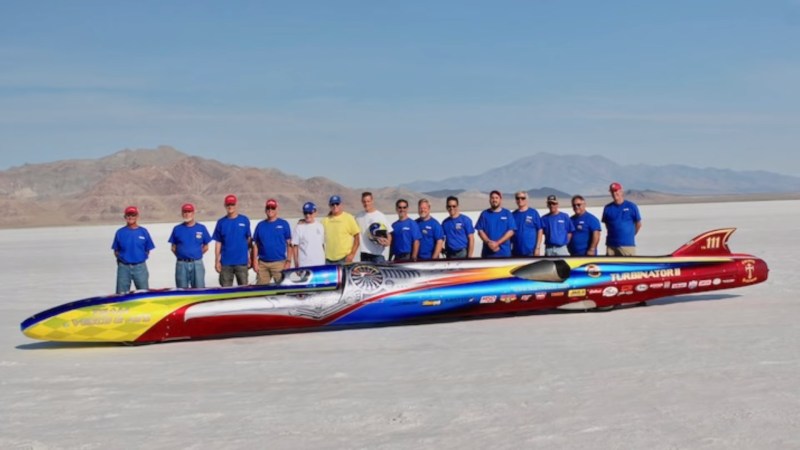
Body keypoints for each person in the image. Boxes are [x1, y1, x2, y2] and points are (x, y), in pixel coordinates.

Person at [111, 206, 155, 294]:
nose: (130, 217)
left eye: (133, 215)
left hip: (140, 267)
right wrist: (123, 260)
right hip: (124, 268)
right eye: (128, 215)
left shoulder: (143, 232)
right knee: (121, 295)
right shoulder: (120, 232)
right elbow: (116, 251)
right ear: (125, 217)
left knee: (144, 293)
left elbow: (147, 249)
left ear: (137, 216)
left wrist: (139, 258)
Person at [168, 203, 211, 288]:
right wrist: (182, 256)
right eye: (185, 212)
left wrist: (196, 255)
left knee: (199, 289)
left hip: (197, 263)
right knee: (181, 290)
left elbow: (206, 247)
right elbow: (173, 248)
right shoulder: (177, 229)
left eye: (189, 212)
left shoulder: (201, 228)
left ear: (193, 213)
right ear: (182, 213)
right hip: (181, 264)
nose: (187, 214)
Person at [212, 194, 252, 286]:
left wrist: (250, 257)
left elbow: (249, 240)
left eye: (232, 204)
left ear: (236, 205)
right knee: (226, 290)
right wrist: (217, 260)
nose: (230, 206)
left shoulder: (244, 220)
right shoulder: (221, 222)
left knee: (243, 289)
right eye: (228, 204)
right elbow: (218, 243)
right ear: (225, 206)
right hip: (226, 263)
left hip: (242, 262)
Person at [252, 198, 292, 284]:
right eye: (268, 207)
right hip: (263, 264)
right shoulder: (260, 225)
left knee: (283, 286)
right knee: (260, 289)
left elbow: (289, 244)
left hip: (279, 263)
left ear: (277, 209)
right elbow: (255, 245)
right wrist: (255, 261)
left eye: (273, 208)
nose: (270, 210)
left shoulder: (283, 224)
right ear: (265, 209)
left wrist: (288, 261)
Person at [602, 182, 642, 256]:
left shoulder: (631, 206)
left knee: (629, 266)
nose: (614, 193)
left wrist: (630, 235)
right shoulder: (607, 208)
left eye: (616, 191)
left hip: (627, 246)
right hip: (611, 246)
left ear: (621, 191)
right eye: (612, 191)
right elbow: (607, 225)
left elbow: (638, 224)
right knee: (611, 266)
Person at [475, 190, 516, 258]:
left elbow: (511, 231)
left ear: (500, 199)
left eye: (496, 198)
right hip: (488, 254)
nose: (494, 200)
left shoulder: (507, 213)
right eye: (492, 198)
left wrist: (497, 243)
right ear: (490, 200)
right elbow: (480, 230)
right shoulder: (484, 214)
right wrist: (488, 242)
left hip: (504, 253)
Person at [321, 194, 360, 264]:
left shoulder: (348, 218)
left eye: (337, 204)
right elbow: (316, 233)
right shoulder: (325, 220)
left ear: (341, 204)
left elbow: (357, 237)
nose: (335, 206)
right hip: (329, 260)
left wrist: (352, 254)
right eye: (332, 204)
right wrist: (302, 222)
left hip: (344, 258)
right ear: (329, 206)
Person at [355, 191, 390, 262]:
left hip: (377, 255)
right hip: (364, 254)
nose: (366, 203)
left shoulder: (380, 216)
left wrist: (388, 242)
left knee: (380, 273)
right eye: (364, 201)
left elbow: (388, 232)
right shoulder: (358, 217)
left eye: (368, 201)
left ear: (372, 201)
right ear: (362, 202)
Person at [292, 202, 326, 267]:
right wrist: (296, 263)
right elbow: (295, 246)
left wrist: (324, 260)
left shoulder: (320, 226)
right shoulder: (299, 227)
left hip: (320, 264)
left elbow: (322, 245)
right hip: (305, 265)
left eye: (310, 213)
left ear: (315, 212)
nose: (308, 215)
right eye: (305, 213)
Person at [511, 191, 543, 257]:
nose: (520, 200)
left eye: (522, 198)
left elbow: (540, 230)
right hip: (516, 252)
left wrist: (537, 248)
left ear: (526, 199)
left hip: (531, 252)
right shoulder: (513, 215)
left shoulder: (533, 213)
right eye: (518, 198)